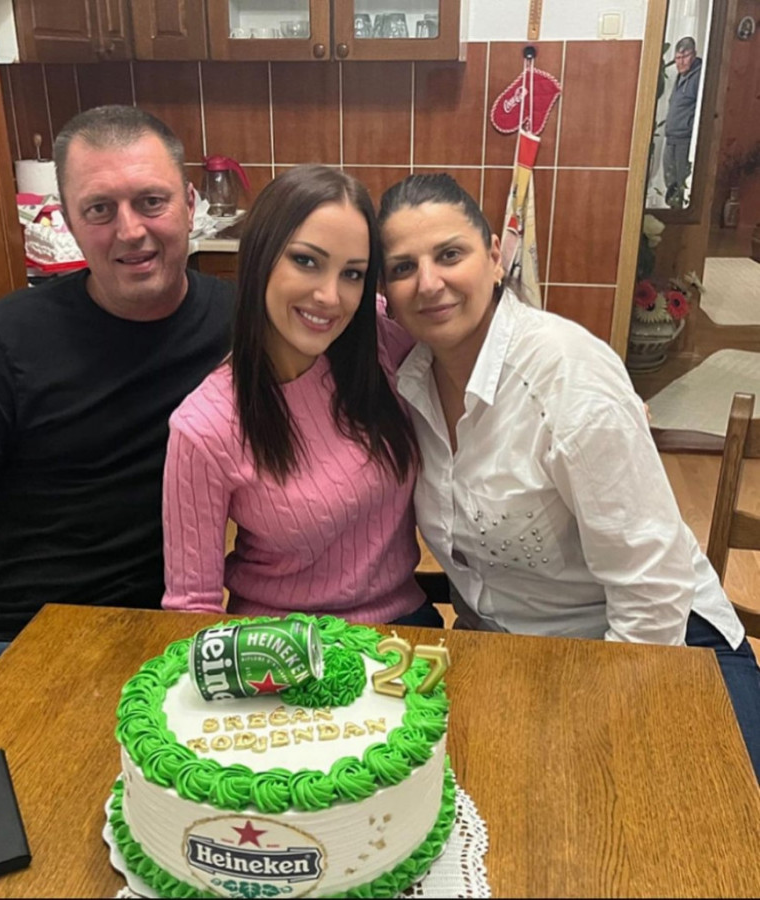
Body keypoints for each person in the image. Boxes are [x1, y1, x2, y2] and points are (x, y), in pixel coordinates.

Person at [0, 106, 235, 810]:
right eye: (100, 209)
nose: (130, 230)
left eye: (151, 201)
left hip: (160, 640)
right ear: (67, 220)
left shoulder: (242, 326)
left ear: (190, 205)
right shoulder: (10, 339)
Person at [377, 172, 760, 779]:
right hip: (515, 659)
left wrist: (592, 725)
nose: (428, 282)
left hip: (664, 648)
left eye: (450, 254)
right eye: (403, 267)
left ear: (495, 257)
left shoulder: (566, 380)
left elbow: (652, 589)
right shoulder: (409, 379)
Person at [161, 164, 436, 626]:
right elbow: (191, 610)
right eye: (307, 261)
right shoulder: (205, 426)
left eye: (352, 274)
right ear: (261, 256)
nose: (329, 296)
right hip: (277, 642)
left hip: (400, 631)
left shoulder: (383, 345)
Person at [663, 36, 703, 207]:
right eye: (678, 58)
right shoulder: (680, 76)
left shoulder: (699, 76)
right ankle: (672, 210)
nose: (680, 62)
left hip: (684, 140)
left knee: (682, 184)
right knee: (670, 184)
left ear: (694, 55)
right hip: (671, 138)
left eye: (685, 57)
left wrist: (689, 127)